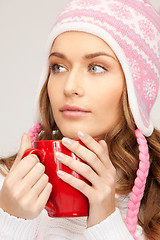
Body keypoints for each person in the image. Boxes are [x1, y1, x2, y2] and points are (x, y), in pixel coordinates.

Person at [0, 0, 160, 239]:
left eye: (95, 67)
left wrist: (105, 222)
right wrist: (10, 221)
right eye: (58, 67)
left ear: (135, 88)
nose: (70, 87)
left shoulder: (153, 200)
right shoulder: (6, 181)